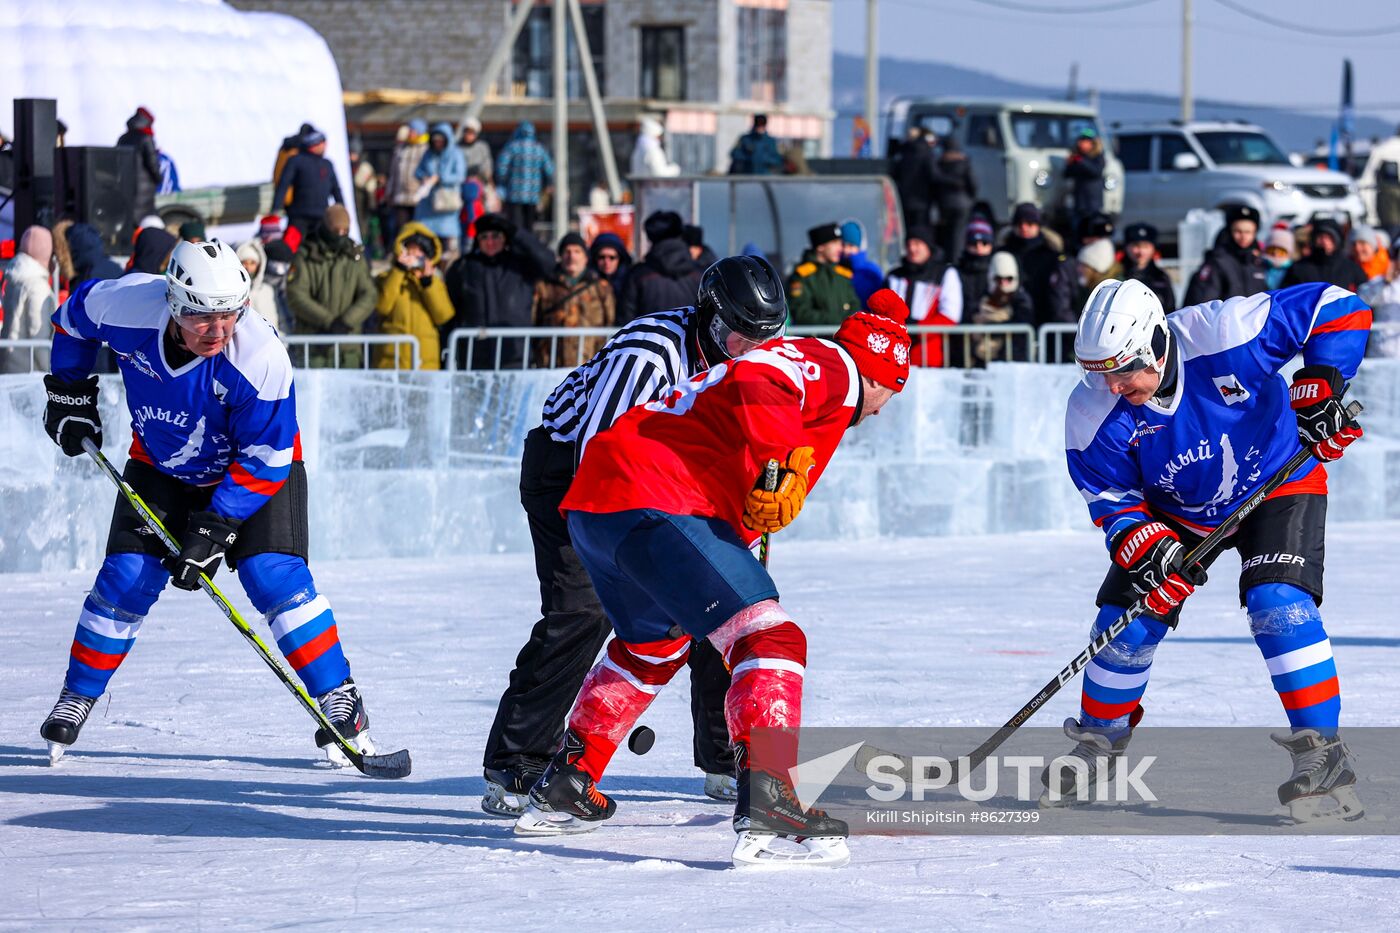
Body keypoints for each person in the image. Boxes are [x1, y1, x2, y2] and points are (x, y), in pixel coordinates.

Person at [514, 293, 913, 870]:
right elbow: (765, 380)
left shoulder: (819, 372)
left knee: (656, 644)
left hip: (599, 503)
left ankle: (568, 781)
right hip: (657, 498)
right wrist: (776, 465)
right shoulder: (835, 370)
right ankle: (770, 797)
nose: (882, 408)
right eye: (891, 392)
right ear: (881, 374)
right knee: (773, 640)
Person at [38, 240, 381, 766]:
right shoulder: (128, 305)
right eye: (201, 316)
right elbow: (73, 318)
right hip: (161, 463)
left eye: (229, 314)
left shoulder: (260, 356)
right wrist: (69, 391)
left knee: (271, 573)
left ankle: (340, 698)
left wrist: (216, 528)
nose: (217, 330)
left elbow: (267, 456)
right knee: (127, 576)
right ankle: (77, 695)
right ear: (173, 301)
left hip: (255, 469)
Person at [480, 256, 790, 819]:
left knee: (724, 601)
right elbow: (598, 457)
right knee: (584, 610)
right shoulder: (649, 356)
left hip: (674, 478)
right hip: (577, 474)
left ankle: (725, 757)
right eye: (735, 337)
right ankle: (519, 760)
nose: (747, 351)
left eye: (762, 340)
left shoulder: (755, 361)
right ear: (709, 317)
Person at [1050, 277, 1370, 822]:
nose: (1111, 386)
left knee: (1278, 603)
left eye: (1122, 370)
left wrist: (1321, 384)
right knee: (1126, 621)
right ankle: (1100, 743)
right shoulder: (1092, 413)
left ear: (1155, 343)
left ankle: (1323, 753)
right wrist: (1145, 544)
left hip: (1279, 479)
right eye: (1097, 373)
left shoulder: (1224, 332)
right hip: (1176, 512)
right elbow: (1109, 494)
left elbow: (1337, 306)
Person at [442, 212, 555, 370]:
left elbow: (548, 262)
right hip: (474, 359)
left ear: (505, 239)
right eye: (484, 237)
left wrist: (517, 233)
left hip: (515, 356)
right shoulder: (463, 268)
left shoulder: (521, 265)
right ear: (477, 240)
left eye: (496, 236)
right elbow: (449, 311)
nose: (490, 242)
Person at [285, 205, 377, 368]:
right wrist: (329, 321)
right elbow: (296, 294)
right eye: (336, 231)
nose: (341, 236)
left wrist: (346, 321)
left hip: (348, 349)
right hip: (314, 347)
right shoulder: (306, 256)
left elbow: (369, 294)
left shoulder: (354, 256)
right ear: (326, 228)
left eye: (345, 231)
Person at [374, 223, 454, 370]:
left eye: (420, 252)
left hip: (424, 362)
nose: (415, 257)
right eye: (410, 250)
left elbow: (443, 315)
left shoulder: (435, 282)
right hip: (392, 362)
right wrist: (398, 271)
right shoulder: (386, 278)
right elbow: (381, 306)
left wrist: (427, 283)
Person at [531, 232, 615, 368]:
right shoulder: (544, 286)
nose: (572, 256)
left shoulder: (601, 287)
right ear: (560, 256)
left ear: (585, 257)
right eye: (567, 251)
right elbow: (534, 321)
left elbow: (610, 323)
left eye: (577, 251)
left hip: (590, 366)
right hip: (551, 367)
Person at [883, 226, 959, 367]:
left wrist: (916, 330)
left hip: (930, 359)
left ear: (928, 246)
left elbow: (950, 316)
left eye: (917, 243)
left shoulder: (944, 274)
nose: (912, 249)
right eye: (909, 244)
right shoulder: (894, 276)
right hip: (893, 357)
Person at [617, 211, 703, 325]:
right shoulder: (700, 274)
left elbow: (625, 318)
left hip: (648, 340)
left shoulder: (638, 275)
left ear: (650, 237)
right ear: (680, 233)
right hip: (688, 340)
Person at [272, 128, 345, 248]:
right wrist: (276, 209)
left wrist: (341, 211)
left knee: (320, 249)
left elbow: (336, 190)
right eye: (323, 143)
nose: (325, 146)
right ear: (314, 144)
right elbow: (283, 185)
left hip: (321, 218)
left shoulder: (327, 164)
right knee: (292, 249)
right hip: (299, 218)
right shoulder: (296, 161)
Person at [1183, 204, 1268, 305]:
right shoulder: (1217, 261)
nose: (1243, 236)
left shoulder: (1258, 262)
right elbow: (1204, 301)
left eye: (1248, 232)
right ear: (1229, 231)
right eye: (1238, 231)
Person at [1, 225, 56, 373]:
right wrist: (54, 372)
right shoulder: (37, 286)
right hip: (30, 375)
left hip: (9, 367)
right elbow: (39, 337)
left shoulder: (14, 278)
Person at [1001, 202, 1064, 327]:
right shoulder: (1004, 253)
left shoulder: (1051, 254)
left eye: (1029, 224)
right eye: (1019, 224)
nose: (1024, 228)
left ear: (1038, 226)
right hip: (1013, 317)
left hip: (1045, 317)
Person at [412, 123, 467, 261]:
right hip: (428, 203)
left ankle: (447, 264)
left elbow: (460, 176)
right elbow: (418, 171)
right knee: (426, 235)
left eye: (440, 140)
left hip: (447, 202)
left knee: (447, 238)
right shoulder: (428, 154)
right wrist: (424, 178)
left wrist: (441, 178)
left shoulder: (456, 153)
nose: (438, 143)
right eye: (435, 140)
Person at [787, 222, 859, 326]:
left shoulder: (842, 274)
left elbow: (854, 304)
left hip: (842, 338)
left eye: (840, 243)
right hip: (816, 340)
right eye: (834, 242)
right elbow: (800, 313)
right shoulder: (802, 276)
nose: (840, 248)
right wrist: (838, 321)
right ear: (820, 246)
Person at [968, 251, 1034, 364]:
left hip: (1012, 358)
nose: (1003, 283)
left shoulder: (1021, 300)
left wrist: (991, 327)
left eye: (1008, 279)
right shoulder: (982, 298)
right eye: (999, 278)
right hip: (983, 359)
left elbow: (1022, 324)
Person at [496, 121, 554, 233]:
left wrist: (503, 183)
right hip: (533, 195)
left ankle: (516, 248)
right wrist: (546, 184)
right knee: (529, 226)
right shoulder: (539, 149)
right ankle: (527, 247)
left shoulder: (512, 147)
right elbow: (549, 170)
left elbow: (501, 168)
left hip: (514, 194)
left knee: (515, 226)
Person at [1283, 218, 1368, 292]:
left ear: (1337, 240)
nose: (1324, 242)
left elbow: (1365, 297)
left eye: (1329, 237)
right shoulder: (1299, 268)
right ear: (1313, 239)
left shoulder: (1351, 268)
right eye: (1320, 237)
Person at [384, 120, 429, 247]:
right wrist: (389, 192)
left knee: (418, 228)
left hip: (418, 198)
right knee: (402, 228)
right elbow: (393, 173)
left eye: (413, 130)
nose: (410, 133)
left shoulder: (425, 149)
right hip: (401, 197)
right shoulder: (401, 149)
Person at [933, 136, 977, 261]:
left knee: (946, 234)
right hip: (962, 203)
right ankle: (956, 260)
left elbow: (936, 184)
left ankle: (946, 259)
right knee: (958, 234)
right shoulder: (964, 163)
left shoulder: (940, 163)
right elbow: (973, 183)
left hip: (945, 204)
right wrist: (971, 198)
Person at [115, 107, 161, 221]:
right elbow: (153, 165)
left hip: (125, 189)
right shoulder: (146, 139)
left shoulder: (123, 138)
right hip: (144, 191)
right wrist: (159, 178)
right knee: (146, 223)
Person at [1120, 222, 1175, 313]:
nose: (1141, 252)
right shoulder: (1116, 275)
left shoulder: (1161, 278)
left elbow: (1170, 310)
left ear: (1153, 248)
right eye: (1136, 246)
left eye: (1146, 246)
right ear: (1126, 247)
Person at [892, 127, 937, 232]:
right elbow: (933, 175)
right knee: (919, 230)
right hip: (921, 200)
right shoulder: (926, 153)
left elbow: (895, 174)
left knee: (904, 229)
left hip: (903, 198)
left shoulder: (902, 153)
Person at [1064, 127, 1106, 236]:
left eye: (1085, 141)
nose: (1081, 143)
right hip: (1079, 202)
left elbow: (1095, 171)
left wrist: (1080, 161)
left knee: (1092, 229)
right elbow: (1067, 174)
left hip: (1093, 203)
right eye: (1081, 140)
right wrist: (1070, 163)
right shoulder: (1076, 157)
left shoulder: (1098, 157)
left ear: (1093, 143)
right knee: (1077, 230)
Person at [234, 238, 283, 332]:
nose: (248, 267)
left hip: (272, 341)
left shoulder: (267, 290)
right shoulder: (235, 292)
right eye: (244, 263)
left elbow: (281, 317)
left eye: (252, 263)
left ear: (259, 265)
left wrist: (283, 342)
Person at [838, 219, 884, 305]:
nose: (846, 250)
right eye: (842, 245)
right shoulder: (834, 270)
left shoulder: (871, 272)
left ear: (860, 247)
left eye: (851, 246)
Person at [460, 117, 494, 188]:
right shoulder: (457, 148)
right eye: (467, 132)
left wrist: (479, 173)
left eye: (472, 132)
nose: (469, 135)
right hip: (462, 184)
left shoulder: (482, 147)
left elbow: (487, 168)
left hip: (480, 184)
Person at [1263, 225, 1296, 291]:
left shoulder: (1295, 271)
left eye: (1281, 251)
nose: (1275, 253)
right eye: (1271, 249)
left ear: (1288, 253)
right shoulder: (1258, 267)